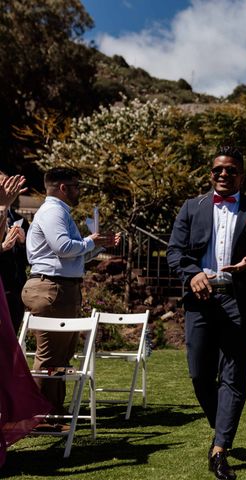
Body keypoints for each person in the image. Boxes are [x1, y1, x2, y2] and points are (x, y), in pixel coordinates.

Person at [167, 146, 246, 480]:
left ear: (241, 176)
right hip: (199, 300)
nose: (223, 175)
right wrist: (192, 274)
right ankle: (222, 428)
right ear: (210, 173)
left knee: (233, 373)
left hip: (238, 298)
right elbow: (174, 251)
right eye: (218, 170)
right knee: (199, 373)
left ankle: (220, 449)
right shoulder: (191, 207)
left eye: (231, 170)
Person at [21, 167, 118, 430]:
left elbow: (75, 255)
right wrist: (90, 240)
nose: (79, 190)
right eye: (76, 185)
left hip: (63, 288)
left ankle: (55, 413)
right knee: (49, 356)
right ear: (63, 187)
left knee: (61, 358)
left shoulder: (61, 212)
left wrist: (99, 245)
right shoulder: (53, 211)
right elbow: (63, 248)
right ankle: (40, 417)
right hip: (51, 288)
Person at [0, 174, 51, 468]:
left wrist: (15, 245)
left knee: (7, 360)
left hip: (11, 289)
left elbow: (29, 254)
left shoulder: (19, 217)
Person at [0, 170, 29, 333]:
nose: (8, 189)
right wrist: (3, 246)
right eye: (2, 186)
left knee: (11, 339)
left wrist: (23, 243)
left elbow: (28, 258)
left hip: (16, 289)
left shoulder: (21, 220)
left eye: (9, 184)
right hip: (1, 285)